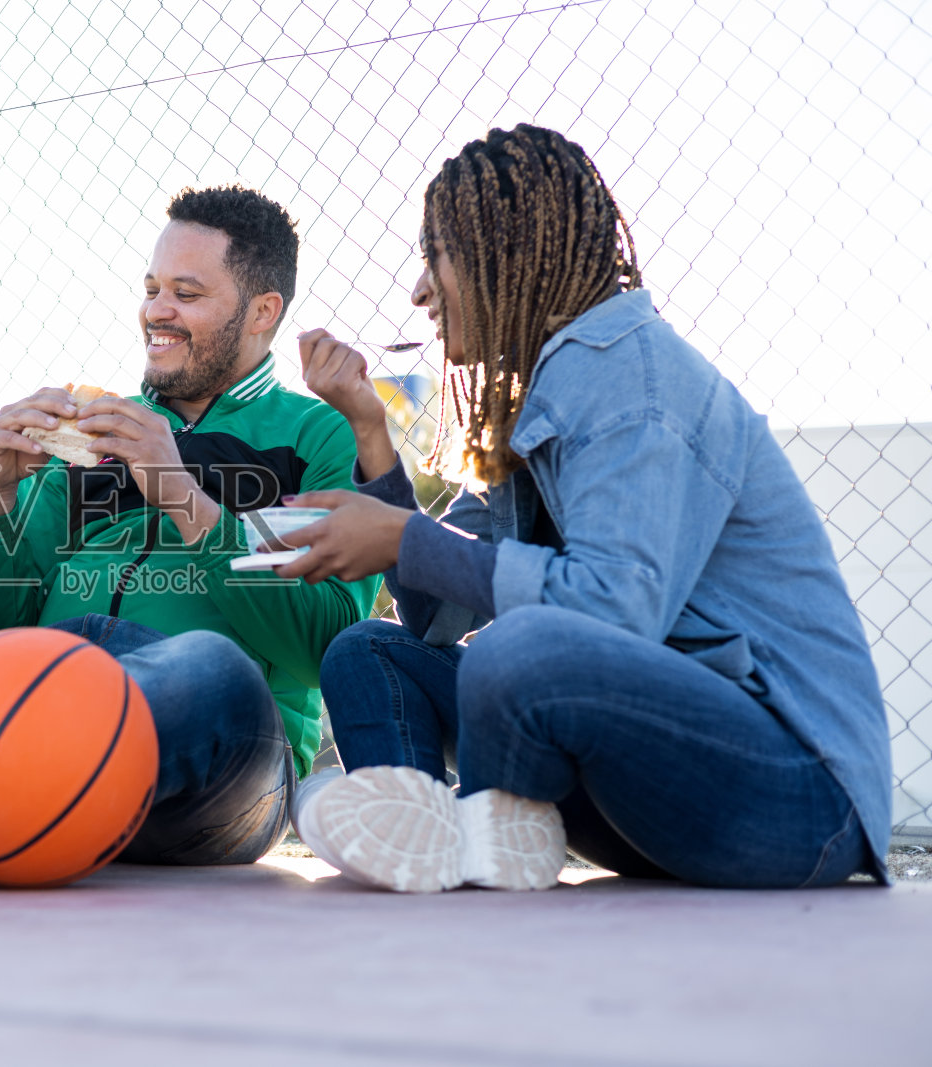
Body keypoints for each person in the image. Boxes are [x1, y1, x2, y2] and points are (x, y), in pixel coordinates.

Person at [280, 124, 890, 891]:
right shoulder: (544, 392)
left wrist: (405, 536)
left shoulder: (629, 375)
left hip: (800, 797)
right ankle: (427, 846)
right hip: (659, 785)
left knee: (518, 650)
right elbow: (434, 620)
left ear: (503, 249)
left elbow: (615, 607)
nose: (419, 290)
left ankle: (484, 839)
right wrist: (371, 430)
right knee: (369, 650)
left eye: (435, 254)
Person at [0, 185, 380, 885]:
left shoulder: (315, 436)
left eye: (187, 293)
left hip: (216, 756)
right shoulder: (93, 433)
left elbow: (320, 644)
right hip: (38, 684)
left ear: (261, 311)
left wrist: (181, 493)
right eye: (152, 288)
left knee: (216, 668)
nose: (156, 311)